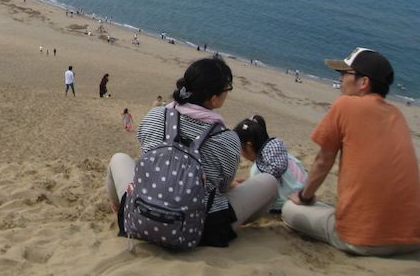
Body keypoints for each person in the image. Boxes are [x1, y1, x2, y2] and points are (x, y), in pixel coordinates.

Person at [106, 57, 277, 247]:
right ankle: (241, 224)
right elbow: (223, 187)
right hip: (199, 228)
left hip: (141, 213)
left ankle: (120, 207)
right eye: (227, 89)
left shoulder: (155, 115)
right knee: (269, 182)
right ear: (214, 98)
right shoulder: (228, 139)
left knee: (118, 158)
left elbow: (146, 155)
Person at [282, 47, 420, 255]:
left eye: (345, 74)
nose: (340, 80)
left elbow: (323, 161)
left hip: (362, 239)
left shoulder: (346, 104)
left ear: (363, 82)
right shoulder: (397, 115)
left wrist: (305, 196)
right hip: (412, 238)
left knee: (290, 210)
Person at [234, 115, 306, 212]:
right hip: (304, 190)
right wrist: (248, 181)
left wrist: (235, 186)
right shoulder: (281, 154)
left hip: (286, 203)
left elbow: (255, 196)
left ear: (249, 146)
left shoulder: (258, 168)